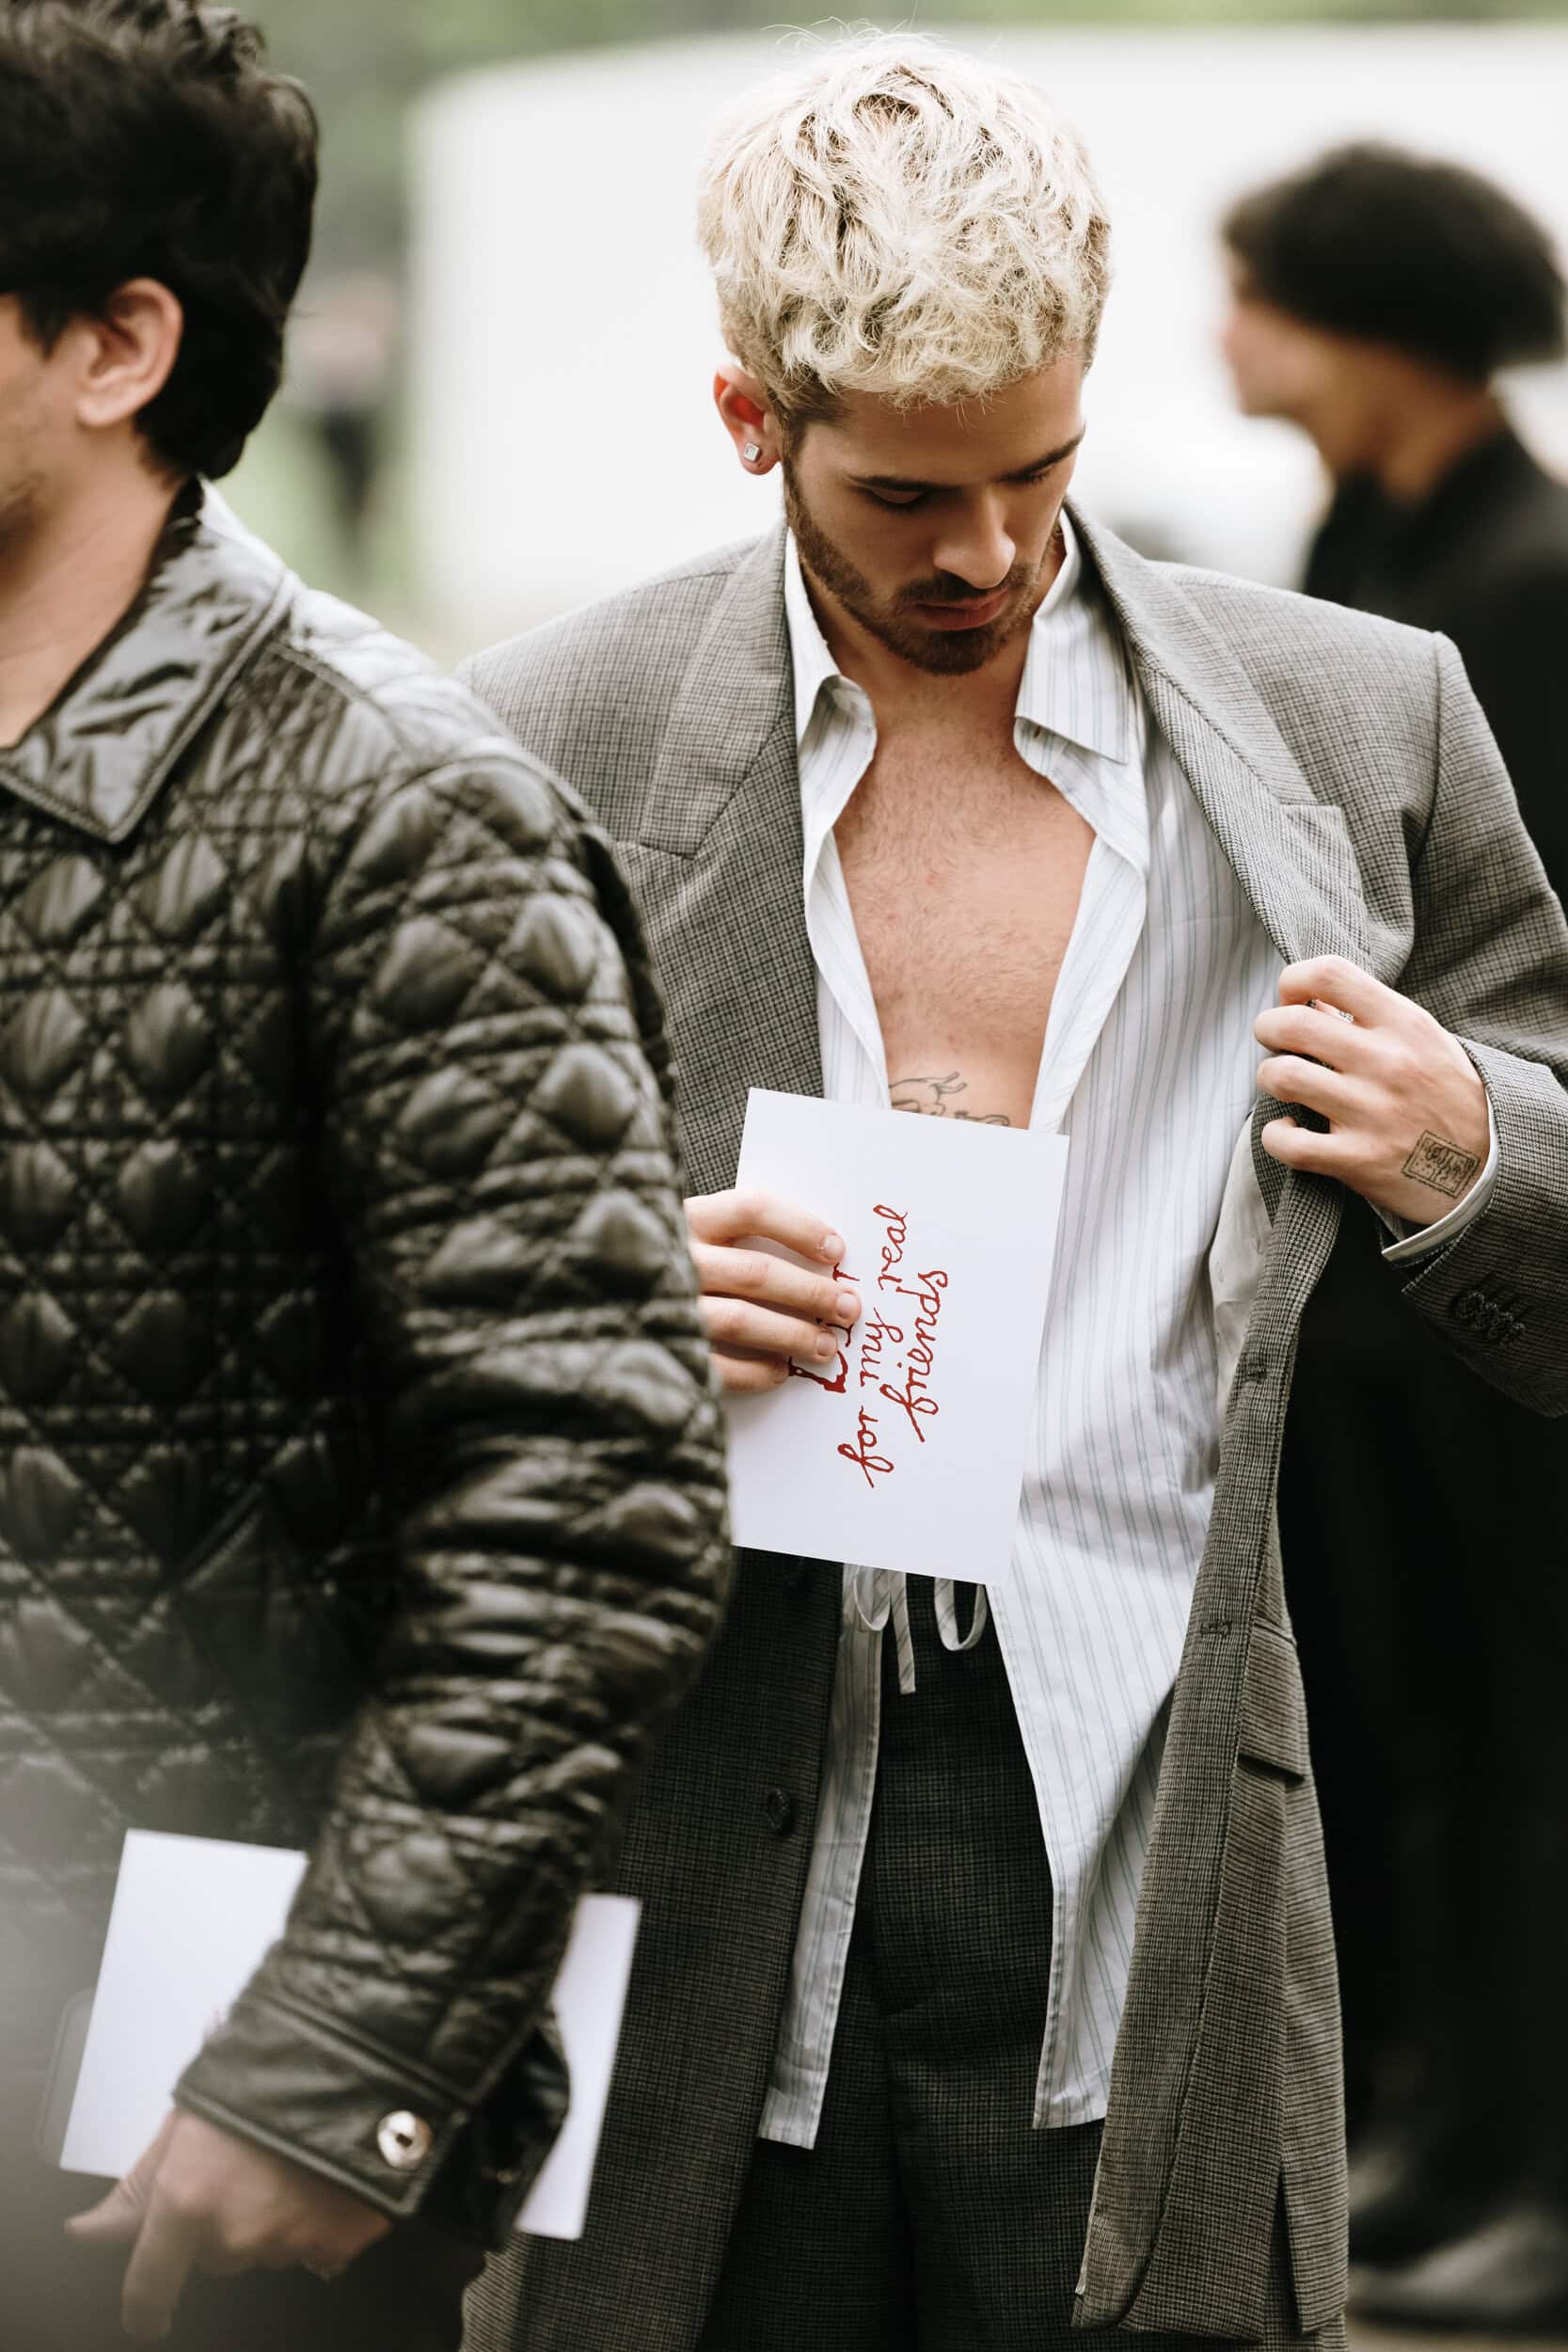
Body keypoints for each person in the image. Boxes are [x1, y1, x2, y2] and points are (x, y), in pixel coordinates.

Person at [464, 36, 1568, 2352]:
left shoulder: (1366, 719)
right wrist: (591, 1301)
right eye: (906, 495)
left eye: (1037, 471)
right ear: (751, 419)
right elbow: (316, 1277)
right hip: (693, 1814)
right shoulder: (540, 735)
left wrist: (1472, 1144)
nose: (982, 550)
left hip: (1158, 1832)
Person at [0, 6, 729, 2349]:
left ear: (116, 345)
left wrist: (347, 2057)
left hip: (164, 2133)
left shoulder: (409, 808)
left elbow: (587, 1491)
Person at [1222, 148, 1568, 2334]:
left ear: (1361, 321)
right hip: (1355, 1277)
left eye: (1256, 294)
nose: (1224, 336)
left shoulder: (1530, 572)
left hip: (1502, 1251)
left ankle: (1545, 2173)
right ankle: (1440, 2119)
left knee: (1528, 1722)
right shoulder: (1362, 543)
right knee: (1402, 1717)